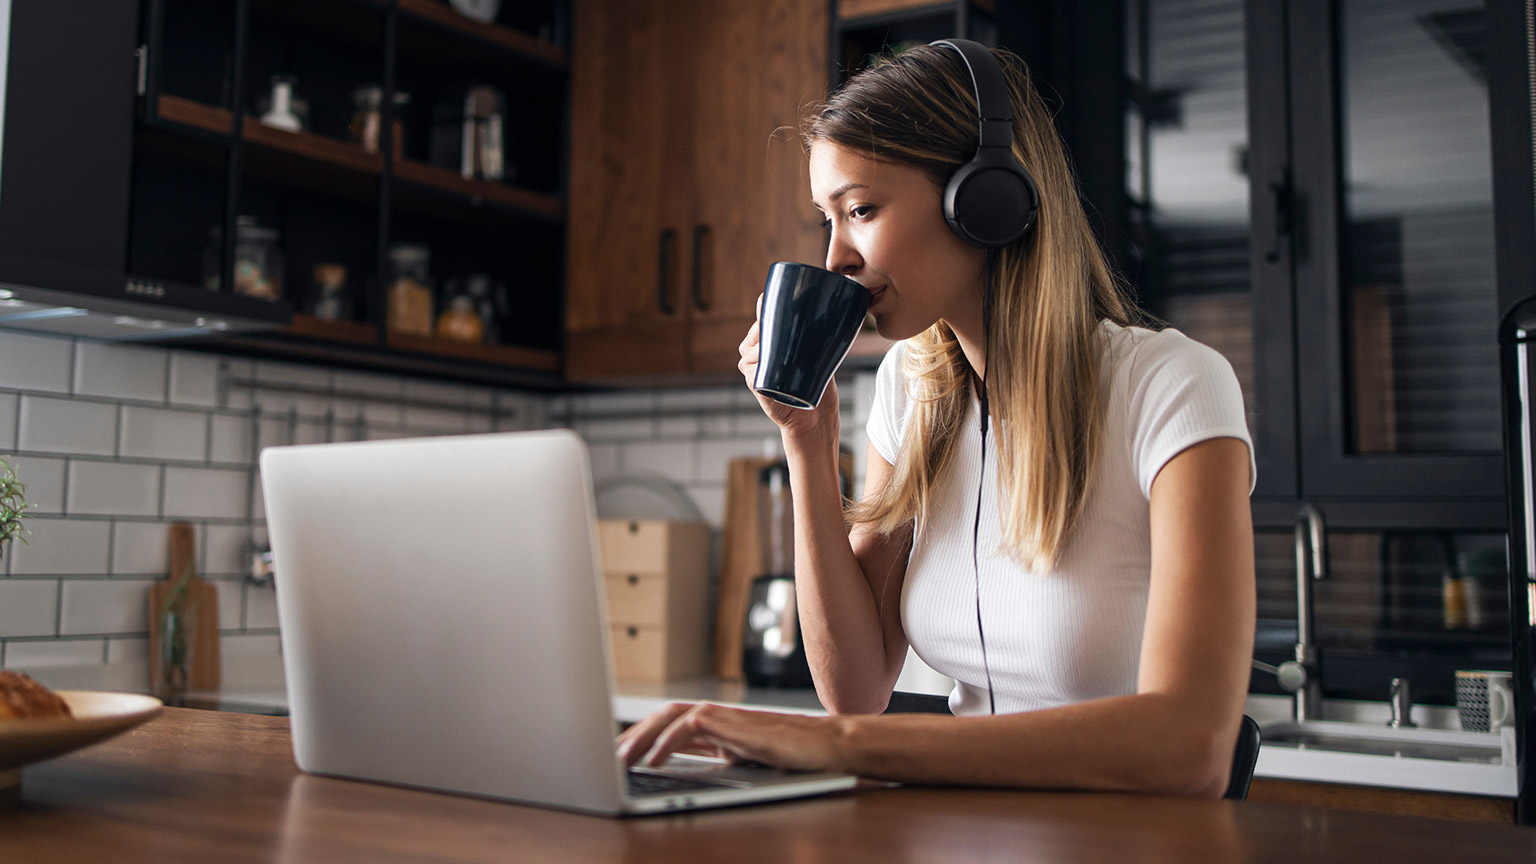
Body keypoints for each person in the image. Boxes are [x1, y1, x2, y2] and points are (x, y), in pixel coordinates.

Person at [617, 43, 1256, 797]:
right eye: (827, 219)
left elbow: (1191, 748)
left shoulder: (1172, 388)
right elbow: (853, 686)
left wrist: (842, 746)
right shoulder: (907, 392)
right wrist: (806, 441)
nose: (834, 260)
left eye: (859, 210)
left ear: (985, 201)